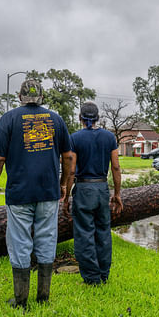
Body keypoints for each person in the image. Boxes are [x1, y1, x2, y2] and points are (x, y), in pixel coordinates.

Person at [0, 79, 74, 308]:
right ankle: (43, 297)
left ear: (19, 97)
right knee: (47, 239)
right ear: (42, 97)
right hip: (48, 191)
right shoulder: (56, 119)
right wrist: (63, 184)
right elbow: (69, 157)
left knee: (19, 241)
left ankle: (21, 300)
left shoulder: (8, 119)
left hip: (19, 192)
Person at [63, 101, 123, 286]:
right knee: (103, 232)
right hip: (102, 189)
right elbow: (116, 167)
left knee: (84, 233)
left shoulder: (74, 138)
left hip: (84, 189)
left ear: (80, 118)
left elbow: (72, 171)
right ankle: (104, 273)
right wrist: (117, 194)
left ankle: (91, 277)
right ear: (97, 118)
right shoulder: (109, 137)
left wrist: (66, 196)